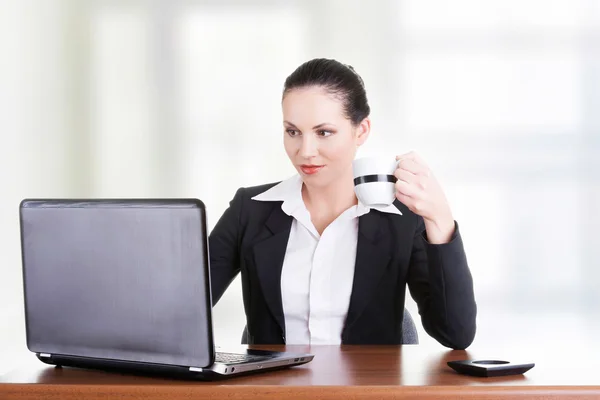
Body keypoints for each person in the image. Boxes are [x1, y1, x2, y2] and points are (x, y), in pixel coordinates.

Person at [208, 58, 476, 349]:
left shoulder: (401, 219)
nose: (305, 151)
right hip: (274, 392)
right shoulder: (250, 209)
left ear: (360, 131)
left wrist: (439, 219)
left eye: (324, 132)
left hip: (365, 392)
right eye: (293, 131)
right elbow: (184, 307)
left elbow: (455, 333)